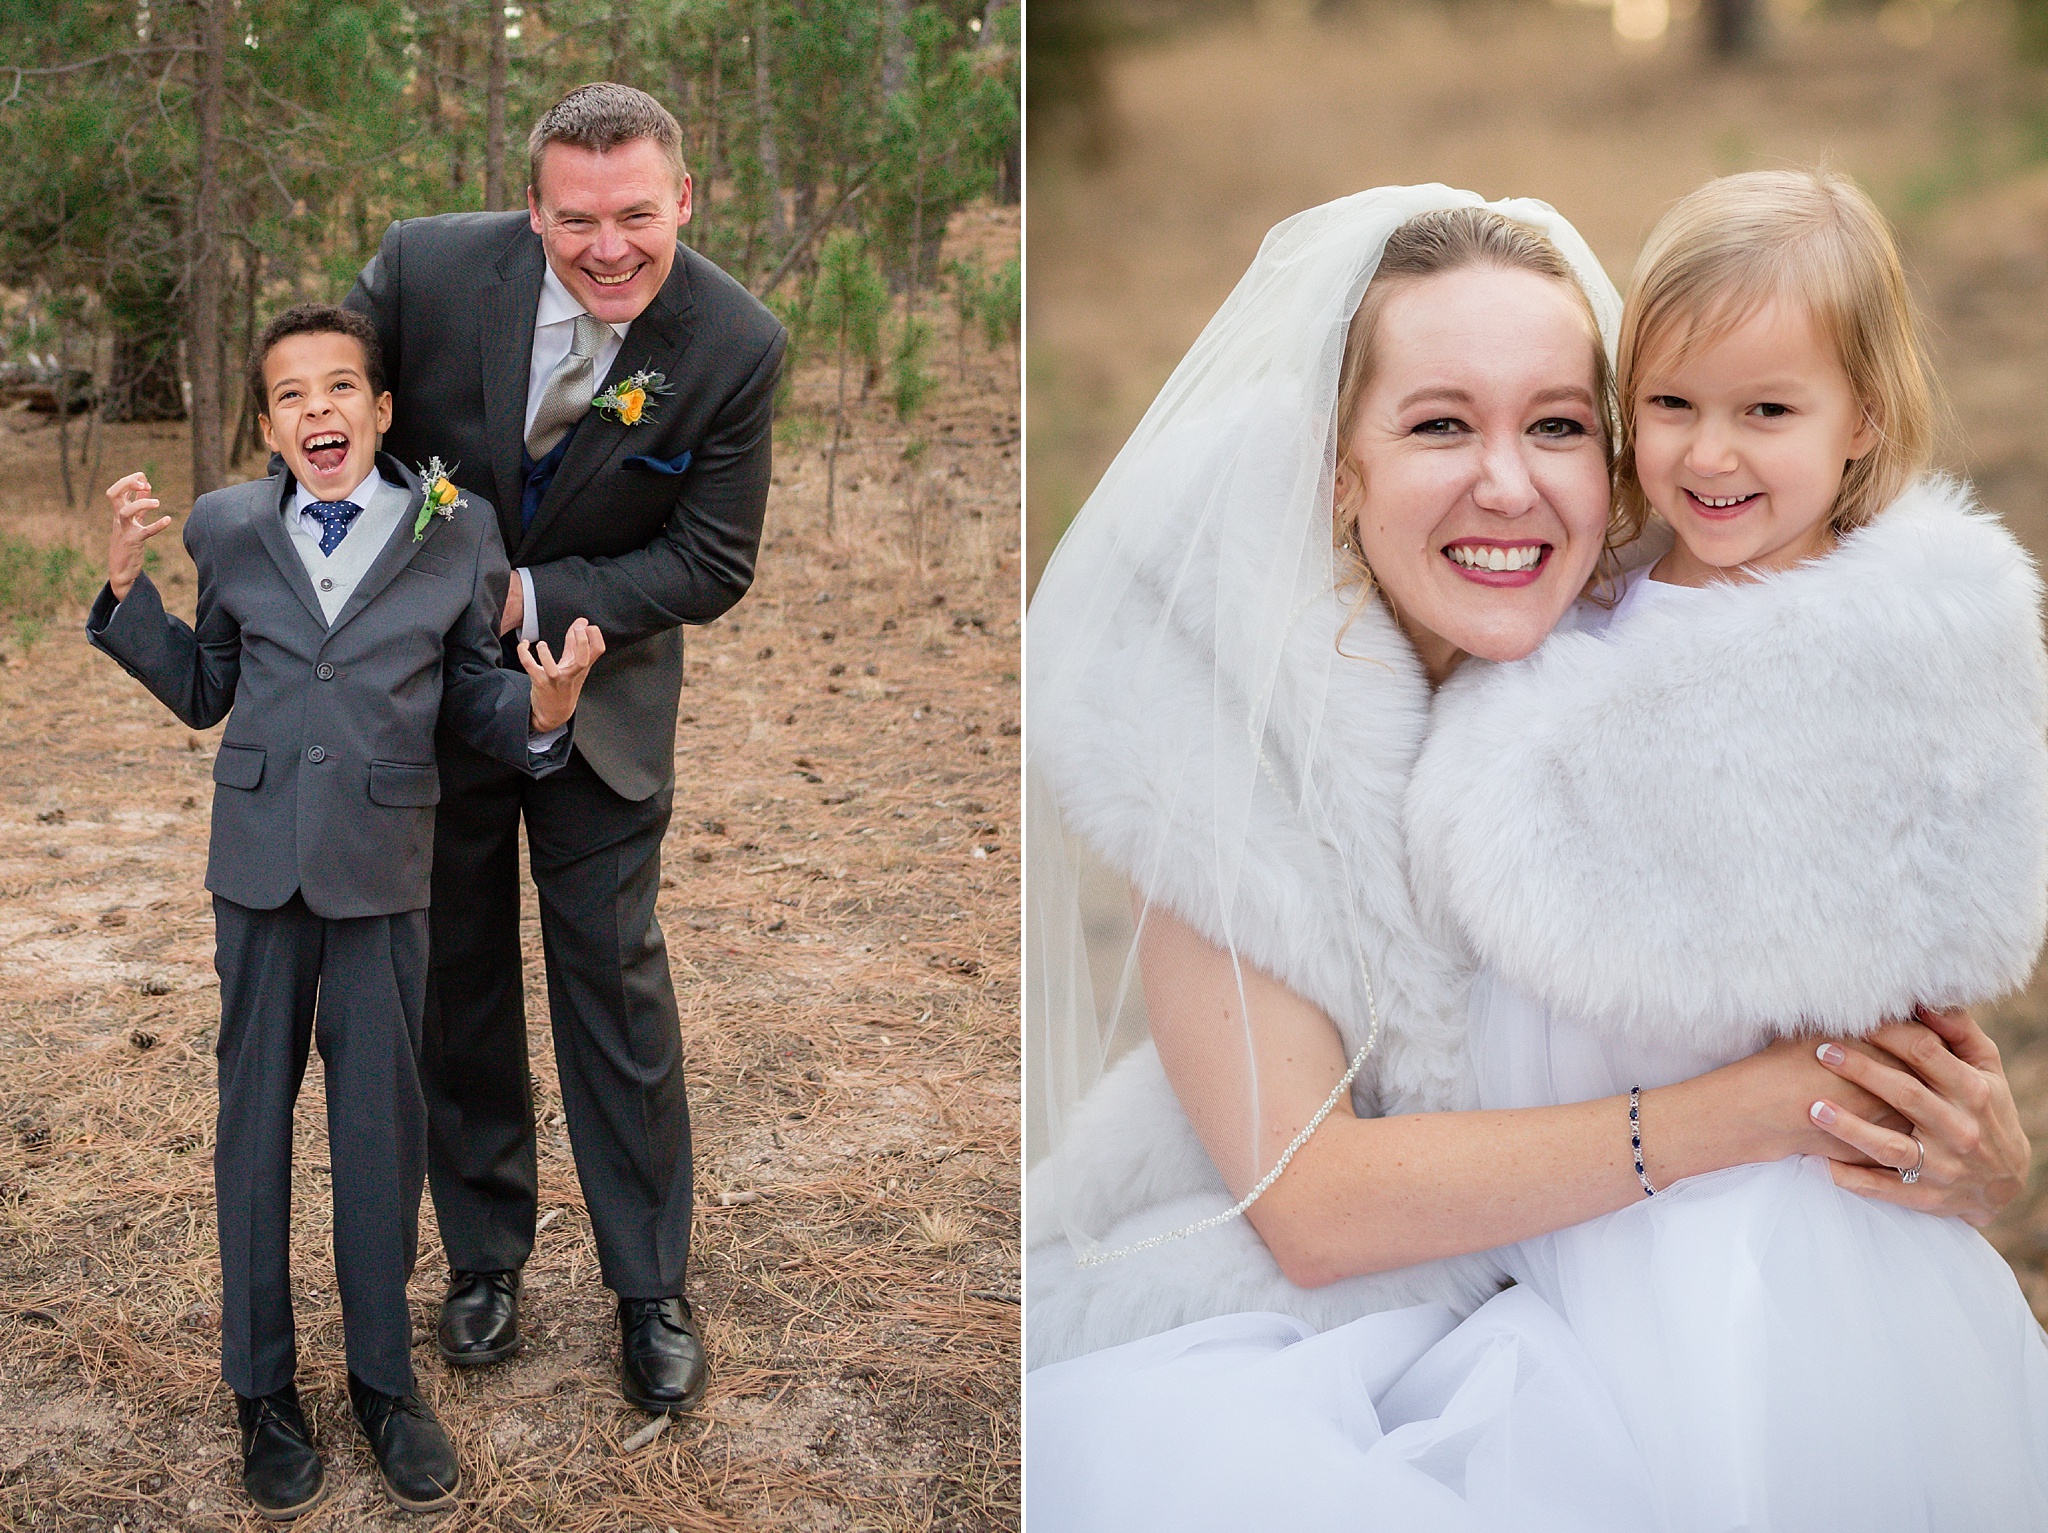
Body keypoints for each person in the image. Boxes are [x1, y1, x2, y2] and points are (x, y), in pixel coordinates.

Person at [1023, 188, 2033, 1527]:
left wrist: (1960, 1138)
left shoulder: (1682, 657)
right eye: (1440, 423)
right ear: (1342, 465)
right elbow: (1314, 1210)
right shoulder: (1226, 760)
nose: (1508, 481)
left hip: (1646, 1302)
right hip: (1340, 1318)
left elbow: (1855, 955)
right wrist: (1749, 1112)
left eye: (1556, 424)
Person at [1405, 168, 2048, 1527]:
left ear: (1863, 416)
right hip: (1570, 1209)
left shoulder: (1894, 650)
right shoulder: (1578, 622)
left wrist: (1960, 1131)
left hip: (1777, 1230)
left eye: (1769, 410)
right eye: (1675, 404)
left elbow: (1923, 972)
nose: (1711, 454)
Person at [85, 303, 603, 1518]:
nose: (318, 410)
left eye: (341, 389)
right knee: (252, 1129)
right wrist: (128, 597)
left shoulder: (453, 533)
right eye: (290, 395)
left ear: (380, 412)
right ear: (266, 424)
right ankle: (262, 1390)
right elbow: (208, 687)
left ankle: (383, 1383)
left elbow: (475, 700)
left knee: (381, 1130)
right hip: (259, 873)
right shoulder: (226, 529)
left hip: (382, 874)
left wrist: (544, 709)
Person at [345, 82, 786, 1414]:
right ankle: (485, 1261)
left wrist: (528, 602)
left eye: (638, 217)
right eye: (578, 218)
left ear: (684, 202)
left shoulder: (730, 342)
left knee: (617, 987)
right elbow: (321, 398)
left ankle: (649, 1285)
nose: (609, 248)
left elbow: (711, 557)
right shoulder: (426, 268)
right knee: (457, 977)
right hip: (437, 703)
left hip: (605, 713)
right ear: (534, 207)